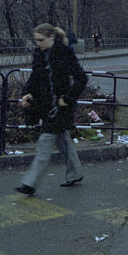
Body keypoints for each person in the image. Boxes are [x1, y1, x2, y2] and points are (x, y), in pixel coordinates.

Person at [15, 23, 88, 195]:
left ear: (51, 37)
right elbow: (34, 78)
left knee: (45, 143)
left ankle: (30, 183)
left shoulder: (65, 52)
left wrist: (67, 98)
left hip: (60, 108)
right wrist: (27, 94)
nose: (38, 43)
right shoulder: (39, 55)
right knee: (63, 140)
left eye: (41, 40)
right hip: (45, 106)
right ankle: (75, 173)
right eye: (36, 40)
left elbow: (81, 78)